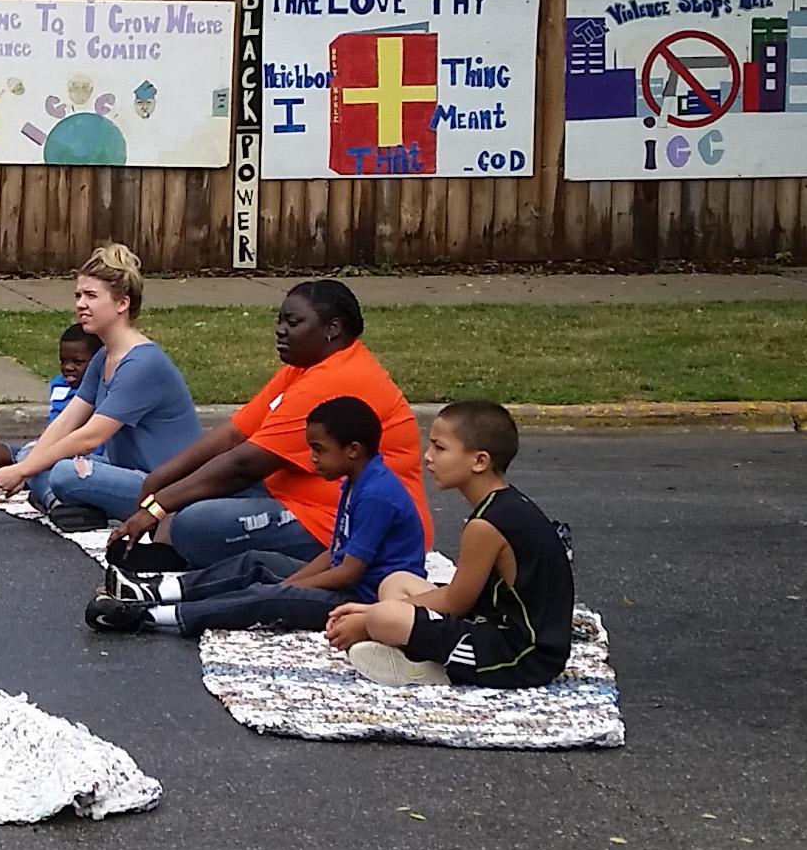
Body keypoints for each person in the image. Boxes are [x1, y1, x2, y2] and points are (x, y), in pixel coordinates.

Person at [106, 278, 422, 569]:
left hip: (348, 522)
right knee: (185, 496)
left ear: (332, 328)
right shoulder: (306, 366)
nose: (281, 330)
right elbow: (233, 434)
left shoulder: (336, 377)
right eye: (280, 320)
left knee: (192, 521)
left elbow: (245, 463)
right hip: (296, 493)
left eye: (294, 322)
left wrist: (158, 505)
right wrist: (159, 481)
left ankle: (198, 552)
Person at [88, 396, 426, 636]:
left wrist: (289, 587)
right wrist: (292, 582)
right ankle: (157, 589)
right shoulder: (356, 481)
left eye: (319, 450)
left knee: (267, 597)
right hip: (353, 584)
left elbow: (348, 573)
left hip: (365, 601)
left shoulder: (377, 494)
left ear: (353, 450)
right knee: (255, 563)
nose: (312, 459)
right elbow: (336, 553)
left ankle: (153, 617)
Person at [326, 400, 577, 689]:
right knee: (396, 581)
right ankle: (415, 653)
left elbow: (455, 603)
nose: (428, 457)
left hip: (521, 656)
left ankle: (429, 670)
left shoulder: (487, 525)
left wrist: (368, 618)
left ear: (480, 461)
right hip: (494, 621)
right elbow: (463, 599)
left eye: (439, 448)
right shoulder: (503, 504)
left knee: (385, 616)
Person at [0, 244, 203, 524]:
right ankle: (66, 505)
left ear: (122, 303)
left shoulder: (142, 364)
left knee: (64, 471)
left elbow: (90, 437)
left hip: (162, 488)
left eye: (91, 296)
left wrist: (23, 472)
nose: (80, 304)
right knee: (32, 452)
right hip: (123, 471)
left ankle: (64, 501)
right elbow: (68, 421)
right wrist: (26, 467)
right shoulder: (103, 355)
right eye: (78, 295)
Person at [0, 325, 93, 485]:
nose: (68, 367)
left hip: (73, 454)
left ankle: (20, 480)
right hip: (46, 447)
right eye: (63, 361)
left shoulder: (99, 392)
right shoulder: (58, 384)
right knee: (1, 450)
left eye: (78, 362)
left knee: (30, 458)